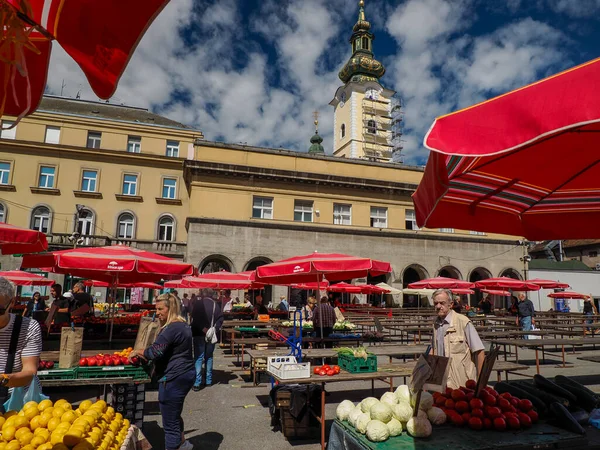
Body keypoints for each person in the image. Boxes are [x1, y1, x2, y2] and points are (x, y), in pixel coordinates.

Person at [129, 293, 194, 450]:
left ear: (170, 308)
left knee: (169, 423)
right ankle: (183, 444)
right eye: (155, 309)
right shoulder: (183, 325)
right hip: (185, 374)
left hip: (173, 377)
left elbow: (155, 352)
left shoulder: (171, 329)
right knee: (174, 414)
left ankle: (175, 446)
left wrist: (139, 351)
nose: (156, 312)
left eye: (160, 309)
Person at [0, 277, 43, 411]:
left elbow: (29, 372)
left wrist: (3, 379)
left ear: (12, 303)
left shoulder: (29, 327)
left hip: (16, 403)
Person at [431, 289, 485, 389]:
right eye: (436, 303)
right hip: (442, 382)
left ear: (451, 304)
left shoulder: (463, 322)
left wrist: (481, 382)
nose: (438, 306)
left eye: (442, 303)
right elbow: (434, 349)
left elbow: (479, 351)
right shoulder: (436, 324)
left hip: (462, 382)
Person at [190, 288, 224, 391]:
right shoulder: (215, 305)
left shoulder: (198, 303)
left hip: (199, 333)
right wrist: (214, 328)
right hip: (211, 335)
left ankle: (197, 382)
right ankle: (209, 380)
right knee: (209, 356)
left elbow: (194, 318)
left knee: (199, 357)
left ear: (202, 294)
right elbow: (221, 318)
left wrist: (203, 328)